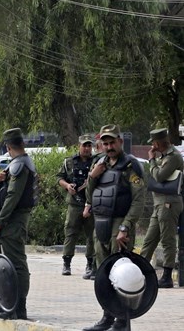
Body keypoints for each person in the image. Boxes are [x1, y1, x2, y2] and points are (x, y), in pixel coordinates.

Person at [82, 124, 146, 331]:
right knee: (104, 273)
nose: (109, 147)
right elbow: (89, 196)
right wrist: (93, 176)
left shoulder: (131, 166)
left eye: (112, 142)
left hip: (120, 225)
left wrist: (126, 227)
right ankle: (107, 317)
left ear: (120, 141)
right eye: (105, 143)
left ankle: (122, 321)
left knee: (122, 274)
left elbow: (138, 200)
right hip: (100, 224)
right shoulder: (100, 164)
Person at [0, 128, 35, 320]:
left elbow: (13, 196)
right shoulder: (19, 163)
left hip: (14, 220)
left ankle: (18, 307)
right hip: (11, 220)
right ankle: (8, 303)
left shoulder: (20, 164)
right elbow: (8, 190)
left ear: (8, 146)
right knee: (9, 264)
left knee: (16, 263)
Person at [140, 128, 183, 289]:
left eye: (153, 143)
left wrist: (151, 160)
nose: (152, 146)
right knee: (149, 239)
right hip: (159, 203)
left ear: (158, 143)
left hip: (169, 203)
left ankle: (166, 276)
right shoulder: (164, 156)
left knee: (168, 240)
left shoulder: (173, 157)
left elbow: (159, 176)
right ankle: (141, 270)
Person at [56, 133, 96, 278]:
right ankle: (67, 263)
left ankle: (90, 264)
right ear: (79, 146)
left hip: (91, 204)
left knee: (92, 235)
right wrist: (67, 186)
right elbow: (59, 178)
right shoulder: (69, 162)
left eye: (89, 145)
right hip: (74, 204)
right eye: (84, 145)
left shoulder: (96, 162)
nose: (87, 148)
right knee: (70, 233)